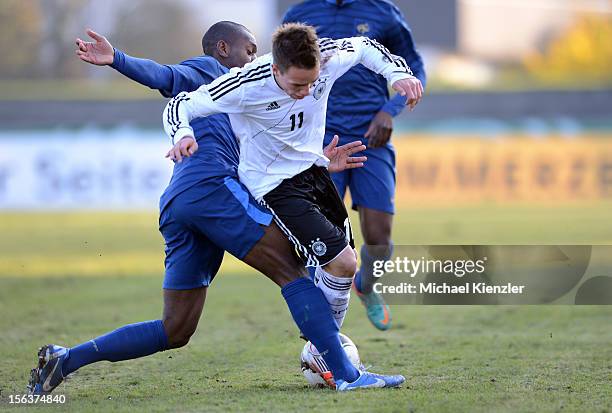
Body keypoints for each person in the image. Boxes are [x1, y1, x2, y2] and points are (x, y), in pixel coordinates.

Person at [28, 22, 378, 395]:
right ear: (223, 48)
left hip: (182, 202)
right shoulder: (212, 70)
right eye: (250, 49)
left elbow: (265, 161)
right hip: (211, 189)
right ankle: (346, 375)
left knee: (175, 329)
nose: (255, 58)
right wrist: (117, 59)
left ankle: (65, 359)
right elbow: (165, 75)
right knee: (292, 271)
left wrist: (314, 162)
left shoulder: (254, 98)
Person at [163, 22, 422, 390]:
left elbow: (365, 46)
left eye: (312, 83)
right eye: (296, 85)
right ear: (275, 69)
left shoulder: (327, 58)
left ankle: (322, 351)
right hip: (273, 187)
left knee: (340, 270)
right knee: (343, 261)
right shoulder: (246, 83)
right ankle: (337, 365)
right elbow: (180, 104)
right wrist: (183, 134)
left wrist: (398, 75)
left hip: (314, 171)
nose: (305, 92)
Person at [282, 0, 427, 331]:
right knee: (321, 234)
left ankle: (367, 285)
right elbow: (280, 71)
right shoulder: (299, 14)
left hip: (370, 136)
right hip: (320, 141)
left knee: (379, 237)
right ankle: (321, 321)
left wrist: (391, 109)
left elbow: (414, 65)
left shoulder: (383, 12)